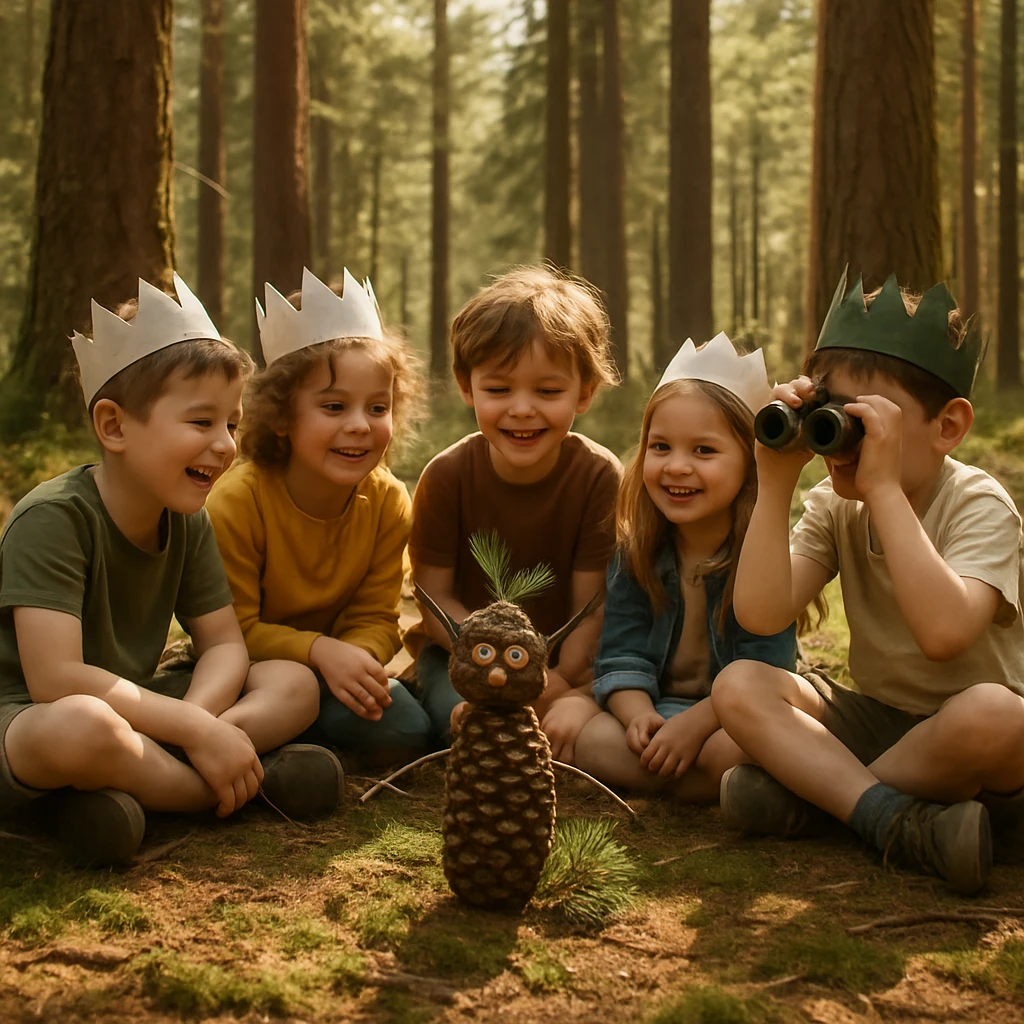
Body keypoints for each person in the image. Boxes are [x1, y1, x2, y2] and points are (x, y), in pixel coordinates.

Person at [0, 275, 341, 867]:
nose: (224, 444)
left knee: (292, 681)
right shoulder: (54, 518)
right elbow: (55, 679)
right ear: (114, 426)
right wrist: (193, 732)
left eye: (231, 425)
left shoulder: (186, 518)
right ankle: (232, 791)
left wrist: (200, 725)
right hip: (30, 717)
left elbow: (226, 647)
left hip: (141, 714)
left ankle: (130, 793)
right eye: (200, 422)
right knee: (84, 727)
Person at [712, 270, 1024, 895]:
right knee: (740, 684)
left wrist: (882, 488)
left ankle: (823, 802)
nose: (843, 438)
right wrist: (773, 480)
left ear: (948, 427)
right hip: (882, 718)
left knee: (994, 715)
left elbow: (944, 634)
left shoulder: (979, 503)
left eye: (868, 419)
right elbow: (762, 615)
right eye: (830, 414)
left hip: (979, 747)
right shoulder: (834, 501)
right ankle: (893, 818)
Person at [207, 268, 432, 766]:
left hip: (334, 670)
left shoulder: (389, 502)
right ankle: (250, 751)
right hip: (244, 669)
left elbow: (377, 616)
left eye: (378, 407)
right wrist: (319, 652)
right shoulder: (239, 501)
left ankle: (290, 753)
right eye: (333, 406)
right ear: (283, 417)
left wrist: (356, 659)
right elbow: (232, 629)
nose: (359, 426)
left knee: (407, 730)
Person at [408, 266, 621, 759]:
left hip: (566, 663)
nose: (522, 410)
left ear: (584, 392)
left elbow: (591, 610)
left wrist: (558, 681)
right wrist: (502, 666)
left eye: (548, 392)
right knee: (456, 718)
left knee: (580, 713)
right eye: (499, 390)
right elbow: (434, 600)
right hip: (462, 657)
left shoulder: (598, 477)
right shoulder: (446, 477)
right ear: (467, 387)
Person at [574, 333, 797, 799]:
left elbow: (766, 667)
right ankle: (715, 788)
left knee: (734, 749)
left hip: (725, 721)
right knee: (592, 740)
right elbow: (622, 652)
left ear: (750, 464)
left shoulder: (761, 557)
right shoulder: (636, 551)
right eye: (661, 447)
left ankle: (703, 779)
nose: (676, 467)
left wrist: (695, 727)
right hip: (659, 707)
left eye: (703, 451)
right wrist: (638, 717)